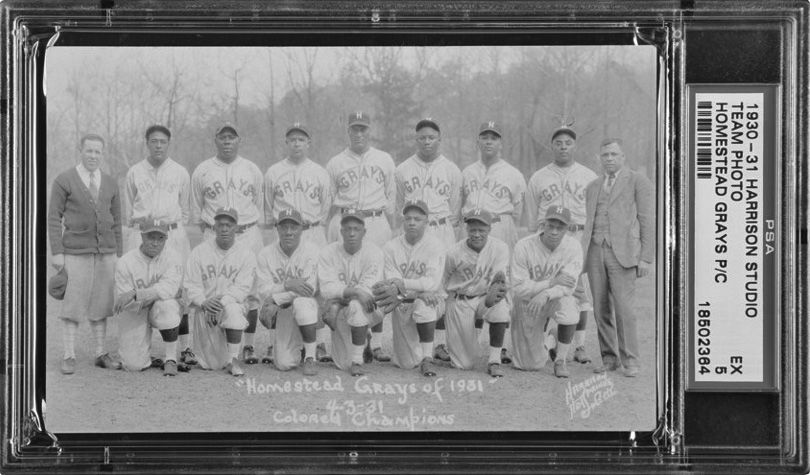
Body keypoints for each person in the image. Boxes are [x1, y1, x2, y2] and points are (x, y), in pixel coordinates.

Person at [48, 133, 123, 374]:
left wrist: (118, 252)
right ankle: (69, 354)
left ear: (103, 153)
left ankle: (100, 352)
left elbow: (117, 220)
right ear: (81, 151)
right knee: (73, 302)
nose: (93, 155)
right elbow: (53, 218)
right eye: (89, 151)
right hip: (75, 252)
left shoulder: (111, 182)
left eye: (97, 152)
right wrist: (57, 252)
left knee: (101, 303)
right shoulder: (65, 180)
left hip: (106, 253)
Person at [190, 122, 264, 366]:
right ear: (216, 140)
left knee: (251, 293)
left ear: (239, 140)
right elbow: (195, 208)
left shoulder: (252, 169)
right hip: (214, 232)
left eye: (232, 137)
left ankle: (250, 345)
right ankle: (214, 345)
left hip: (247, 231)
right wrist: (210, 230)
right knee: (212, 289)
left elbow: (260, 205)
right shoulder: (202, 170)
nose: (227, 141)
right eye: (223, 137)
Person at [123, 124, 196, 369]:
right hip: (142, 233)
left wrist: (171, 227)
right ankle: (140, 344)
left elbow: (185, 209)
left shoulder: (180, 172)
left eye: (162, 141)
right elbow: (128, 210)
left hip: (172, 233)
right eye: (153, 141)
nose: (158, 145)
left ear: (168, 144)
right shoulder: (135, 171)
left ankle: (184, 348)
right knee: (140, 287)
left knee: (180, 289)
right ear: (147, 143)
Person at [326, 111, 396, 362]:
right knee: (344, 275)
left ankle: (376, 343)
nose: (358, 133)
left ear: (370, 130)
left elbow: (392, 197)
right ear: (348, 131)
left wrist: (392, 226)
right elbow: (328, 201)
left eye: (363, 129)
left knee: (377, 281)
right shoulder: (335, 162)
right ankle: (348, 337)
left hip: (376, 219)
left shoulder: (385, 159)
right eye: (354, 129)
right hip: (344, 219)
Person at [526, 126, 598, 364]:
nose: (563, 146)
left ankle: (579, 346)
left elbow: (595, 213)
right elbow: (531, 215)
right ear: (552, 146)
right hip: (548, 237)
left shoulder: (588, 176)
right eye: (558, 143)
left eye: (568, 142)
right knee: (547, 289)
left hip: (578, 236)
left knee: (579, 292)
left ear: (574, 146)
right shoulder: (539, 176)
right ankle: (545, 339)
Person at [583, 138, 654, 378]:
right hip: (595, 250)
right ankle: (609, 358)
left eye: (614, 154)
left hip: (622, 253)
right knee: (600, 307)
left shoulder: (637, 181)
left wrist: (645, 257)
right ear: (600, 159)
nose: (609, 159)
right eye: (605, 155)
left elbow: (647, 219)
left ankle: (631, 360)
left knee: (625, 309)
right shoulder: (593, 186)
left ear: (623, 157)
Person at [264, 122, 333, 364]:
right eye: (292, 139)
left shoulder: (319, 172)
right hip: (285, 231)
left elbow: (325, 207)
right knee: (281, 282)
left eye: (301, 139)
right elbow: (267, 207)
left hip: (313, 229)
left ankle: (319, 342)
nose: (296, 143)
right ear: (286, 142)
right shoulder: (273, 172)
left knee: (316, 288)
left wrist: (314, 224)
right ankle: (277, 343)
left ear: (308, 143)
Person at [395, 118, 462, 363]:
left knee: (442, 285)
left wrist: (442, 225)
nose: (426, 141)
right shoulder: (402, 169)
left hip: (441, 227)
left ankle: (441, 343)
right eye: (422, 137)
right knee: (417, 280)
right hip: (414, 230)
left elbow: (455, 208)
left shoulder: (452, 169)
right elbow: (398, 205)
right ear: (416, 139)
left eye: (431, 137)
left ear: (439, 139)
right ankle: (420, 339)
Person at [461, 121, 527, 365]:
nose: (489, 141)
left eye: (494, 137)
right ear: (478, 141)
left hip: (500, 225)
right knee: (473, 280)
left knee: (502, 282)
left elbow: (519, 210)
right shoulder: (467, 172)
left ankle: (503, 346)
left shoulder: (513, 174)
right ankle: (473, 342)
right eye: (484, 137)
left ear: (501, 143)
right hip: (473, 227)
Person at [376, 200, 446, 377]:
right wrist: (418, 291)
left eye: (417, 219)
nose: (412, 222)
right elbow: (392, 284)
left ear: (426, 222)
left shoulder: (435, 245)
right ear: (403, 221)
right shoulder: (390, 247)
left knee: (425, 307)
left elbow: (431, 283)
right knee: (406, 364)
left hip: (430, 301)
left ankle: (427, 359)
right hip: (402, 303)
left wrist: (405, 285)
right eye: (408, 218)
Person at [510, 206, 583, 378]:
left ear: (568, 228)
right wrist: (550, 282)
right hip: (528, 299)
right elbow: (518, 287)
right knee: (528, 365)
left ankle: (560, 360)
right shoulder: (524, 246)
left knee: (570, 310)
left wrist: (546, 293)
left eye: (560, 227)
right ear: (543, 224)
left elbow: (568, 286)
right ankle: (551, 340)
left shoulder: (573, 246)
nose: (554, 232)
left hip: (554, 297)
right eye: (551, 225)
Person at [184, 208, 256, 376]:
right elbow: (190, 285)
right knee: (210, 365)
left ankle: (233, 360)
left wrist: (219, 304)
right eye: (221, 225)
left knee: (234, 311)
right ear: (214, 227)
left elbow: (242, 289)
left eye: (229, 225)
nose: (224, 229)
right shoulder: (199, 252)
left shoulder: (246, 254)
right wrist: (204, 302)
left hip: (229, 307)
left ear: (236, 228)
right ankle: (222, 356)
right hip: (205, 311)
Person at [443, 209, 511, 377]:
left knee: (500, 308)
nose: (477, 234)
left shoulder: (500, 248)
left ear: (489, 229)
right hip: (460, 300)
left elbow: (500, 281)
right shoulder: (454, 252)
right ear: (467, 230)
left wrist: (497, 293)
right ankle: (459, 345)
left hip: (485, 298)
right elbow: (442, 280)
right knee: (464, 365)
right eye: (473, 229)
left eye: (481, 230)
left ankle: (494, 361)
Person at [318, 210, 385, 376]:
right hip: (341, 308)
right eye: (347, 229)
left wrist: (343, 296)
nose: (352, 233)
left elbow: (369, 291)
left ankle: (357, 361)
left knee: (356, 305)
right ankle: (362, 340)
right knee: (341, 364)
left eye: (356, 228)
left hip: (367, 308)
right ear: (341, 231)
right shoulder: (328, 252)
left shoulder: (374, 252)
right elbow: (326, 289)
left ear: (364, 232)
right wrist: (354, 291)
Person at [114, 221, 184, 375]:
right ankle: (145, 355)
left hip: (157, 306)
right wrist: (153, 295)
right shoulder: (125, 262)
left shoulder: (173, 257)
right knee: (133, 365)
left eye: (160, 238)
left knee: (168, 305)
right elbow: (125, 303)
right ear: (142, 236)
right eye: (151, 237)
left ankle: (170, 359)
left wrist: (136, 293)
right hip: (135, 311)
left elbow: (169, 289)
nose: (155, 243)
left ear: (166, 239)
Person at [255, 209, 320, 376]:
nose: (289, 232)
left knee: (302, 303)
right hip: (284, 310)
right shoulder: (265, 254)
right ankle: (300, 346)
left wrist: (276, 298)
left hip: (311, 307)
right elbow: (263, 290)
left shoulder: (312, 251)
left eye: (294, 227)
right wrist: (287, 285)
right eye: (284, 227)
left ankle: (310, 356)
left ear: (302, 229)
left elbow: (309, 289)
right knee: (284, 364)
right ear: (277, 228)